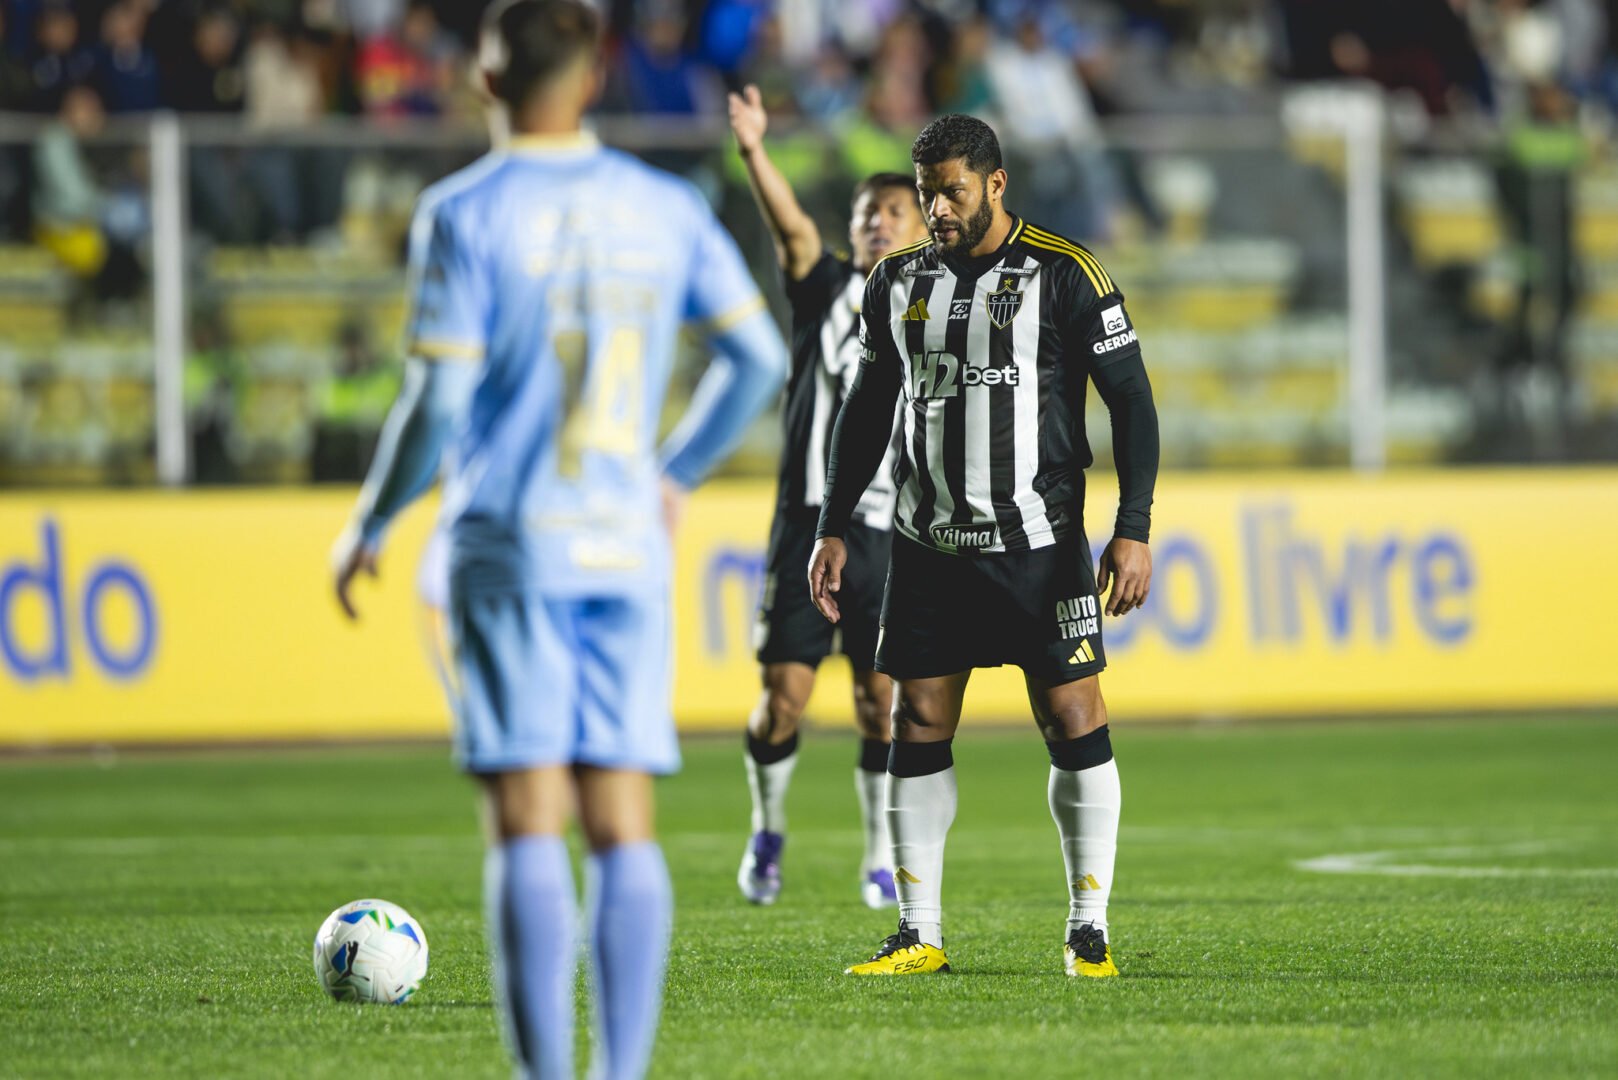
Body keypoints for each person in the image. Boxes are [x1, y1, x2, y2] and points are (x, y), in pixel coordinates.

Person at [329, 4, 787, 1078]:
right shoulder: (663, 205)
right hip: (623, 546)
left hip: (509, 545)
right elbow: (757, 360)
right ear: (591, 81)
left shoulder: (461, 213)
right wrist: (670, 472)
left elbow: (436, 402)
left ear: (485, 80)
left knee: (529, 817)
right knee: (623, 818)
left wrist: (370, 520)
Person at [807, 114, 1159, 979]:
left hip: (1039, 543)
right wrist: (832, 524)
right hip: (928, 544)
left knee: (1072, 715)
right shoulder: (895, 282)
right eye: (926, 194)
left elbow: (1133, 403)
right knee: (916, 717)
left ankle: (1088, 927)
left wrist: (1134, 527)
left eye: (952, 192)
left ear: (996, 184)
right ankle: (918, 929)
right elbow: (866, 410)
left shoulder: (1068, 274)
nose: (937, 210)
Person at [726, 83, 929, 909]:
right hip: (808, 522)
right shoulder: (825, 291)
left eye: (893, 212)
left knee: (879, 704)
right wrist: (754, 153)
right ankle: (767, 832)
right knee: (785, 700)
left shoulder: (935, 307)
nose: (877, 223)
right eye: (866, 213)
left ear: (920, 228)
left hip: (891, 532)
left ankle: (879, 857)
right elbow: (791, 229)